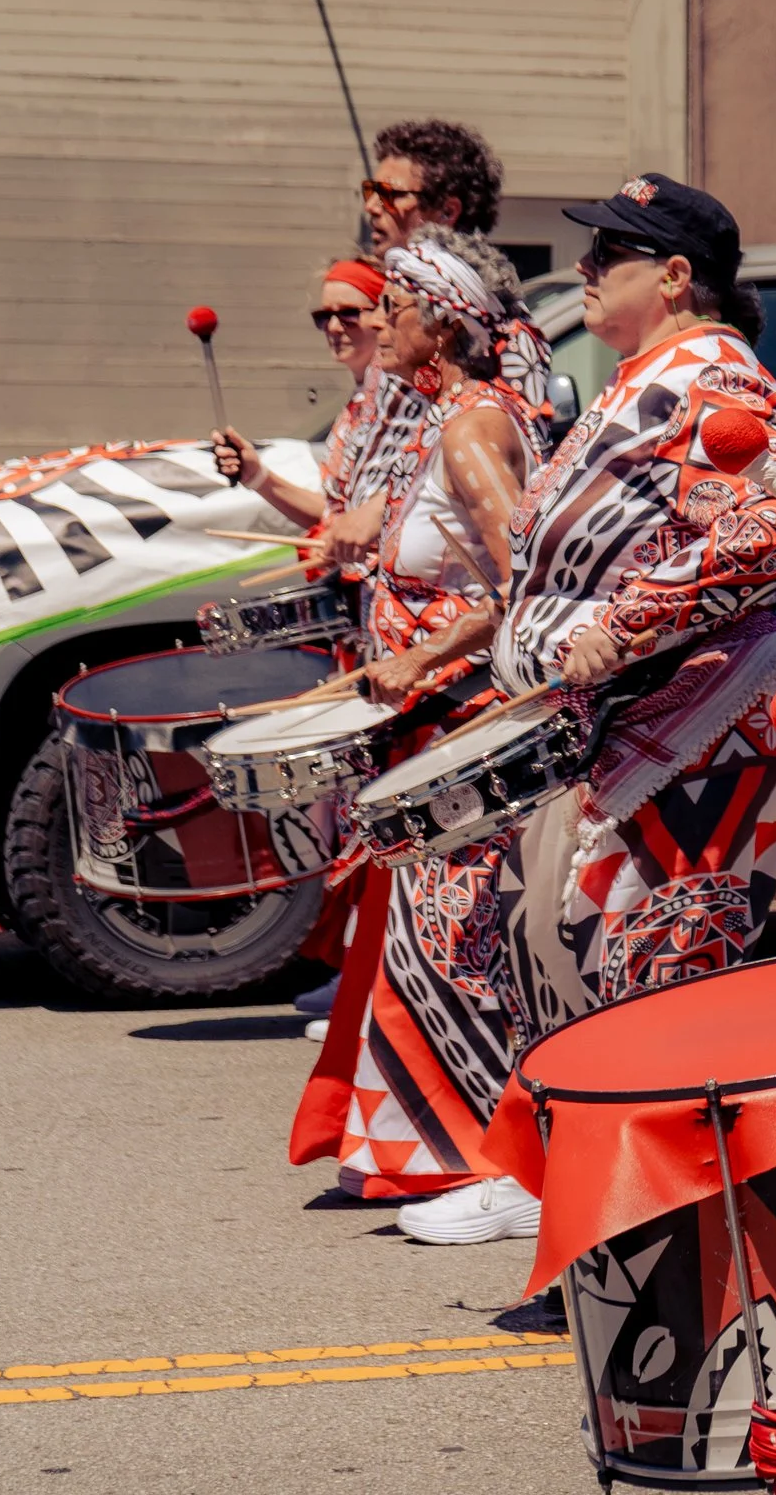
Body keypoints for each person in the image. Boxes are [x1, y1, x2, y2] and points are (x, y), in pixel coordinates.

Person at [394, 173, 776, 1248]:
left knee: (644, 965)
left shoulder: (719, 375)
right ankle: (567, 1179)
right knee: (554, 938)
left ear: (676, 278)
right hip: (628, 722)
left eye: (608, 257)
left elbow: (774, 525)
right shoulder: (649, 374)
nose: (583, 272)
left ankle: (660, 1226)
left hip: (711, 728)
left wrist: (626, 623)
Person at [289, 229, 541, 1207]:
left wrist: (421, 655)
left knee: (455, 945)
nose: (378, 319)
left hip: (464, 718)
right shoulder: (465, 413)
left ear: (439, 321)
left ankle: (480, 1162)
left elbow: (528, 584)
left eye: (395, 304)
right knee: (429, 942)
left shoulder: (472, 427)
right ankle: (431, 1154)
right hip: (435, 720)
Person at [210, 258, 402, 577]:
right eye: (324, 316)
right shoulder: (354, 408)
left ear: (384, 315)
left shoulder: (404, 401)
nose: (334, 327)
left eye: (349, 314)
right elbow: (338, 516)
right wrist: (256, 475)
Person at [362, 120, 553, 420]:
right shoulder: (399, 311)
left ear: (448, 211)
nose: (372, 206)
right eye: (370, 190)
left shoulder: (497, 324)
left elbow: (505, 441)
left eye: (389, 194)